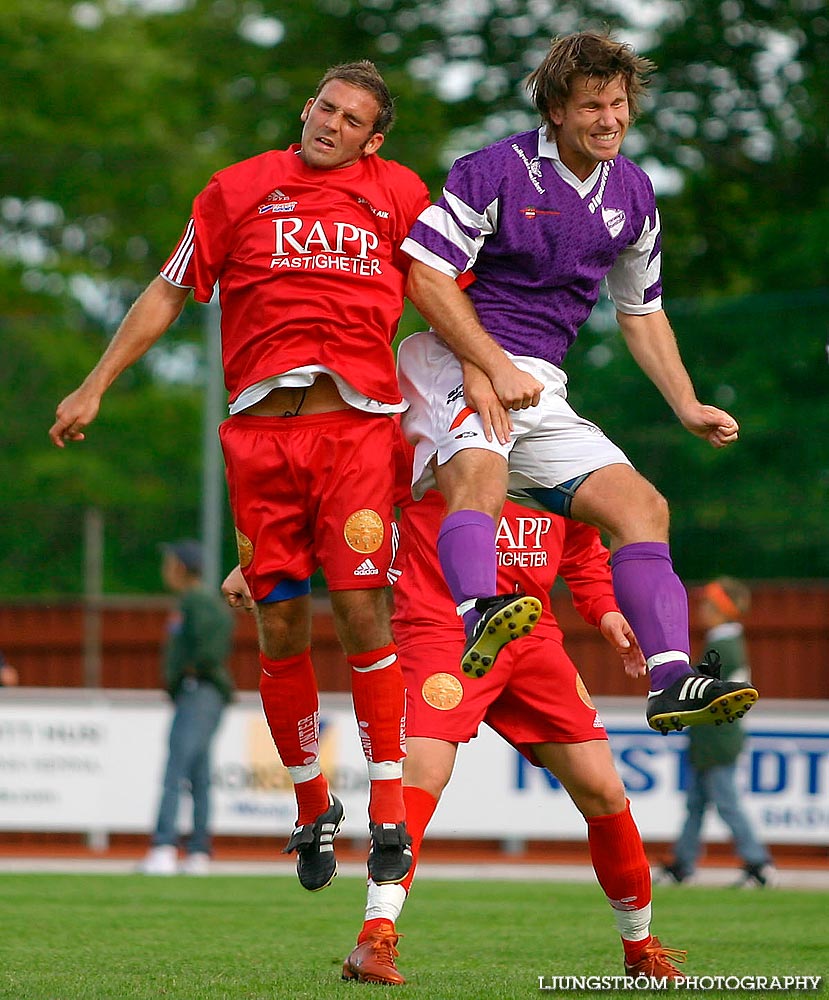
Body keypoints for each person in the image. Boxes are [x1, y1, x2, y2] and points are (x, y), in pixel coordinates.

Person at [49, 61, 431, 891]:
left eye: (352, 117)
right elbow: (167, 288)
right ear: (307, 108)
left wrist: (478, 385)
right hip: (260, 442)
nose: (331, 123)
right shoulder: (236, 189)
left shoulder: (400, 194)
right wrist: (94, 382)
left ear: (374, 138)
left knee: (364, 608)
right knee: (279, 626)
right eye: (324, 107)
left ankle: (391, 808)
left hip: (356, 431)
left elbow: (446, 297)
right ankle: (310, 804)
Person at [224, 432, 688, 985]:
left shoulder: (557, 456)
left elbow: (585, 557)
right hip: (441, 631)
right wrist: (264, 564)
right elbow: (344, 496)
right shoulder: (432, 441)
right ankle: (373, 940)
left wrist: (608, 612)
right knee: (421, 773)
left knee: (604, 790)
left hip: (534, 638)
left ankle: (641, 951)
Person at [395, 30, 758, 735]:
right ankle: (478, 614)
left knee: (641, 508)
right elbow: (427, 275)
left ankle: (670, 677)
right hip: (457, 361)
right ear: (555, 109)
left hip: (540, 383)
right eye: (592, 104)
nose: (609, 119)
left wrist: (684, 403)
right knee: (478, 477)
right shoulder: (492, 170)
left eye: (618, 104)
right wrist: (490, 365)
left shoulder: (632, 193)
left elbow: (641, 312)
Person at [657, 577, 776, 889]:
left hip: (716, 740)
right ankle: (683, 864)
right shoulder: (724, 642)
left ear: (725, 609)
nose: (702, 610)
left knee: (725, 803)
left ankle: (758, 864)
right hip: (711, 739)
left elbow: (702, 693)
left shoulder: (722, 646)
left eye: (709, 605)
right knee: (697, 804)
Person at [140, 540, 234, 875]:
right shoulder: (192, 602)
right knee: (198, 773)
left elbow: (213, 644)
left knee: (176, 770)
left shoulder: (199, 603)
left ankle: (164, 846)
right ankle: (198, 851)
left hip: (199, 692)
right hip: (198, 694)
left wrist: (187, 673)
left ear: (181, 567)